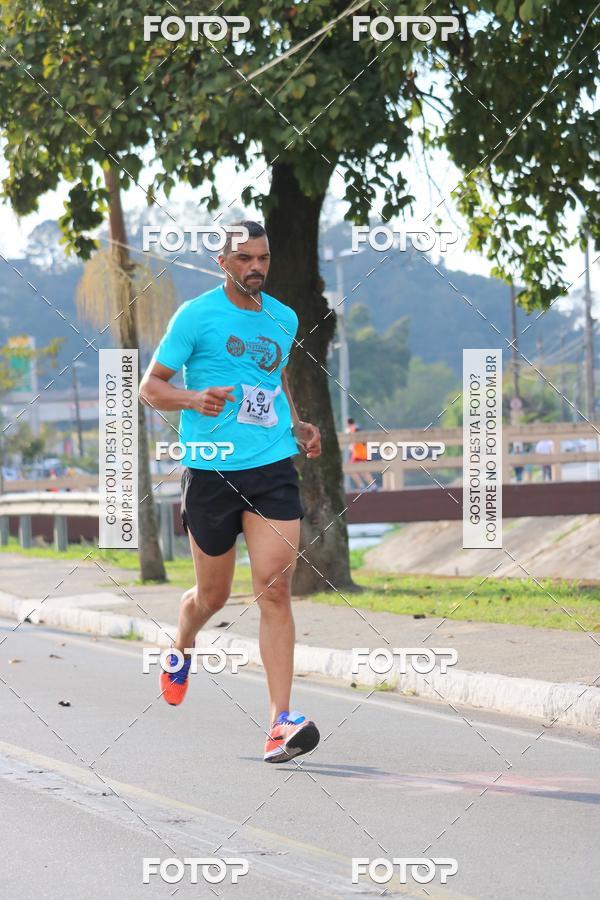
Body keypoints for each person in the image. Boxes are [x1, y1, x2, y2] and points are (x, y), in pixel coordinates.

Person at [139, 220, 322, 764]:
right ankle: (182, 645)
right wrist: (193, 399)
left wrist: (297, 425)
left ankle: (280, 722)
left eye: (263, 258)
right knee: (212, 597)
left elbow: (275, 378)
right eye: (244, 259)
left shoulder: (284, 318)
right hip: (210, 472)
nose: (256, 267)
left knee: (275, 588)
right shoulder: (195, 316)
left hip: (271, 467)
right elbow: (151, 387)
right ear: (222, 263)